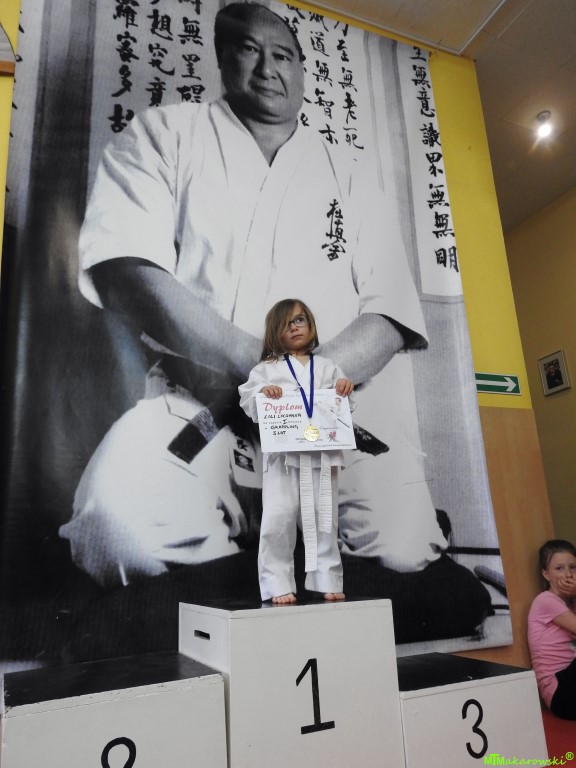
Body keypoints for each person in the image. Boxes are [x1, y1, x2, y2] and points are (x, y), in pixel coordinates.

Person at [59, 3, 448, 598]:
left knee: (405, 548)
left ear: (302, 70)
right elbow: (127, 270)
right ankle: (275, 564)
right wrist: (260, 366)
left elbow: (390, 313)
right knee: (118, 533)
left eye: (283, 55)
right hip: (199, 401)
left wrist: (305, 384)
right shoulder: (165, 133)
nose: (268, 68)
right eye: (248, 49)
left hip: (327, 411)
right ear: (222, 58)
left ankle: (268, 561)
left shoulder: (349, 170)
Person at [239, 299, 353, 604]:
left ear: (311, 324)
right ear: (274, 333)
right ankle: (277, 582)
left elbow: (343, 403)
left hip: (321, 455)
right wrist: (263, 392)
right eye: (286, 324)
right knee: (278, 518)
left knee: (324, 518)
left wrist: (343, 387)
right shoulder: (266, 369)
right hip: (283, 458)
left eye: (299, 320)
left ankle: (328, 578)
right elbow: (248, 398)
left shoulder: (328, 367)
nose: (294, 327)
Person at [527, 539, 576, 720]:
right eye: (559, 568)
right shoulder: (545, 600)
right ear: (546, 574)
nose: (568, 574)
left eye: (573, 567)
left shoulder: (572, 601)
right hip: (561, 693)